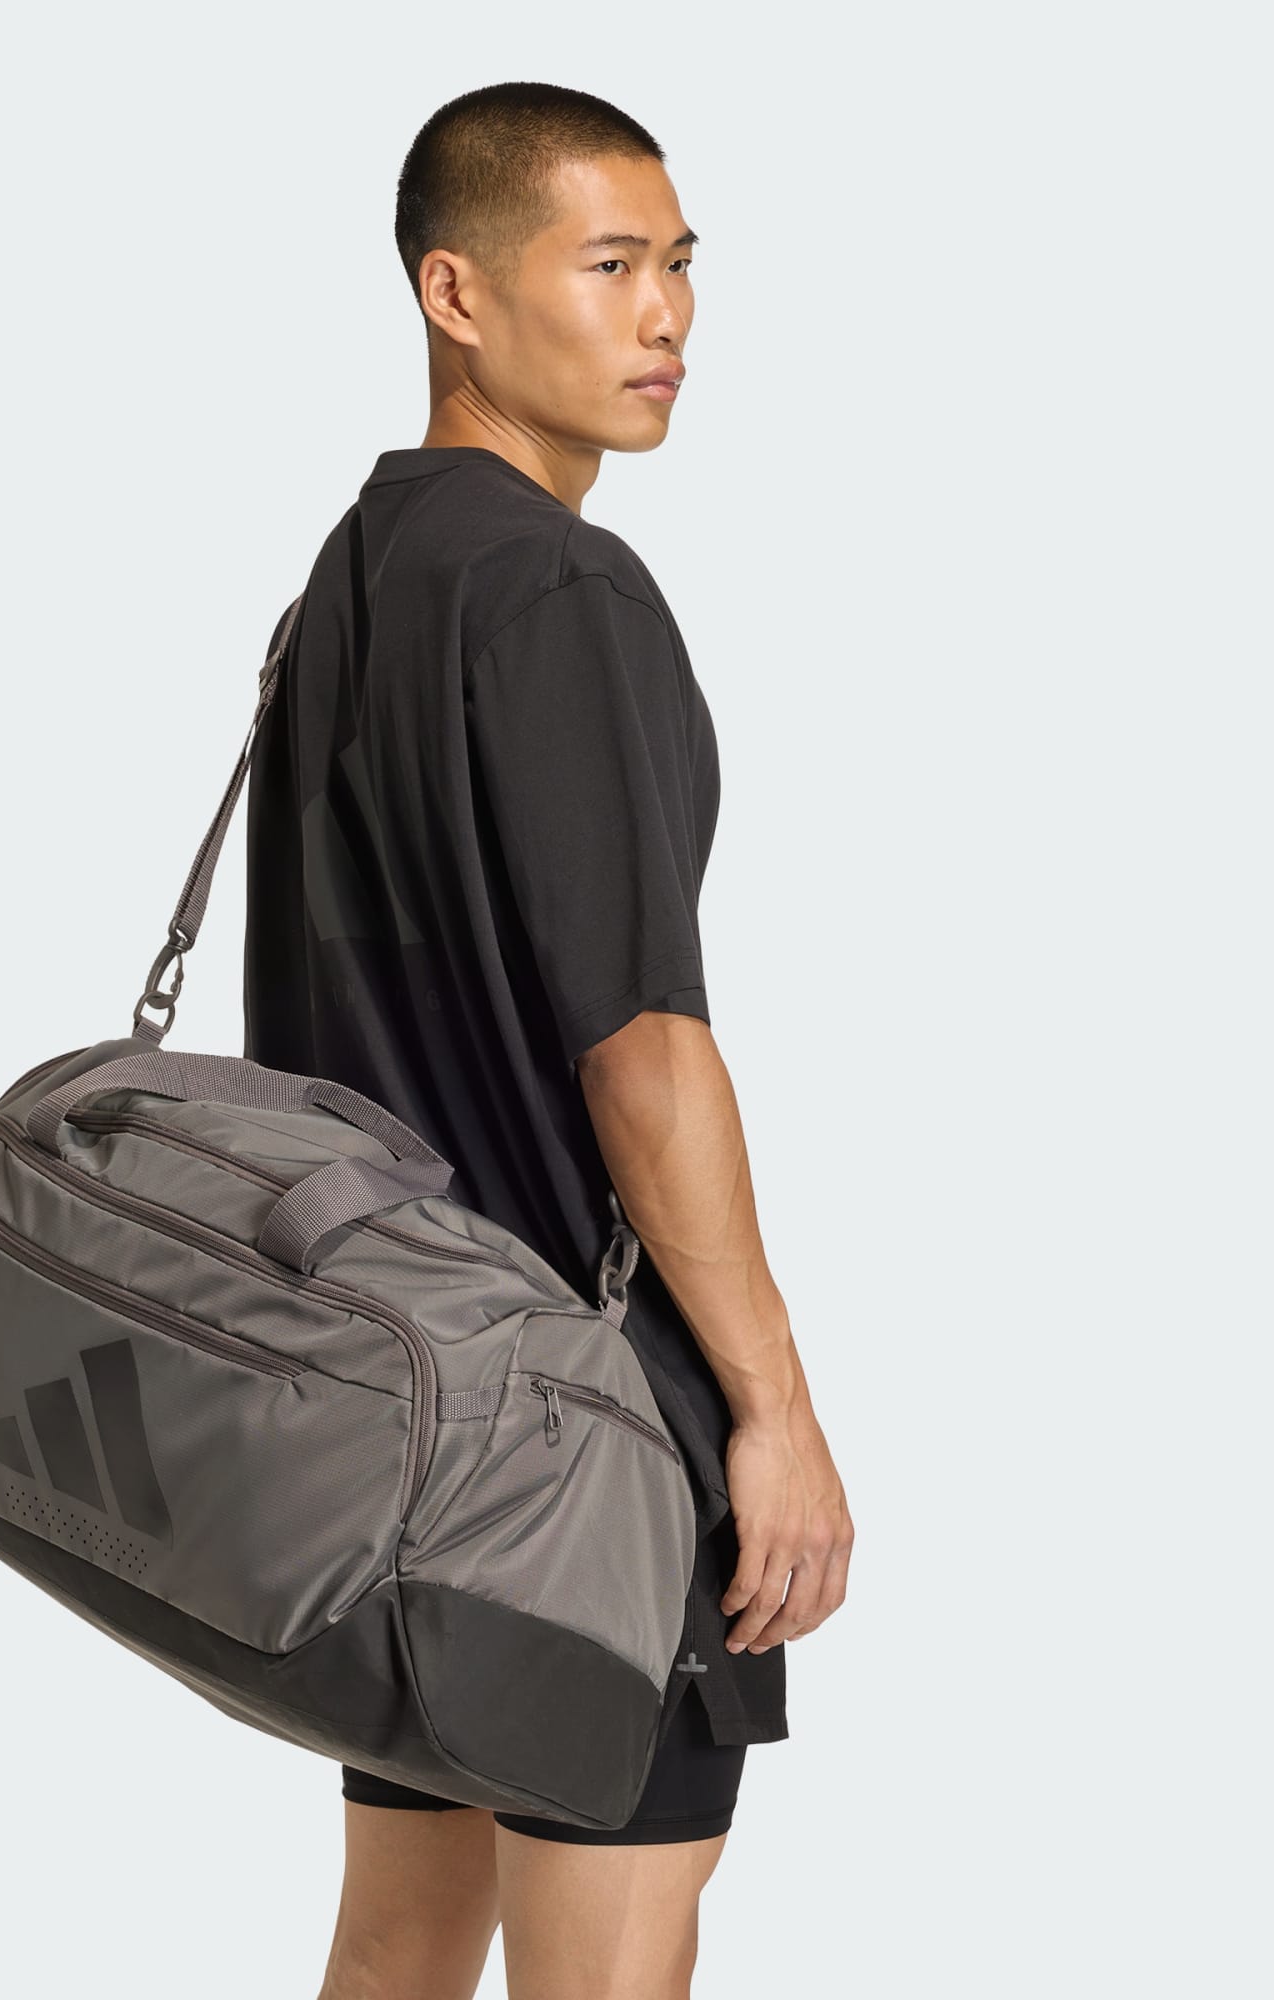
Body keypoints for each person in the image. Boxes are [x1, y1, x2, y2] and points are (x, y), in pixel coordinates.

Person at [240, 81, 854, 2000]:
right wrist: (770, 1406)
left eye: (679, 264)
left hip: (387, 1419)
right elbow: (642, 1048)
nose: (666, 314)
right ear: (457, 294)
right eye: (607, 265)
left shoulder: (350, 582)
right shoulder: (559, 589)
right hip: (581, 1441)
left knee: (399, 1947)